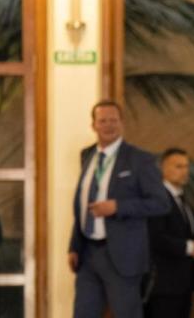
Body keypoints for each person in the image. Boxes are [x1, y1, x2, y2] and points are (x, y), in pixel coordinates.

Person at [69, 99, 171, 318]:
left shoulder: (140, 159)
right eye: (102, 121)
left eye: (113, 120)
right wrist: (74, 246)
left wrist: (118, 206)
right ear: (93, 125)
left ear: (122, 123)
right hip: (88, 254)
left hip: (122, 256)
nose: (108, 125)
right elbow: (81, 204)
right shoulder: (87, 156)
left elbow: (160, 203)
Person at [145, 148, 194, 318]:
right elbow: (155, 237)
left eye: (187, 166)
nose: (184, 171)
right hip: (163, 285)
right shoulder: (157, 198)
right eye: (178, 166)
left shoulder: (183, 200)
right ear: (162, 169)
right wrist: (189, 247)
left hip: (183, 284)